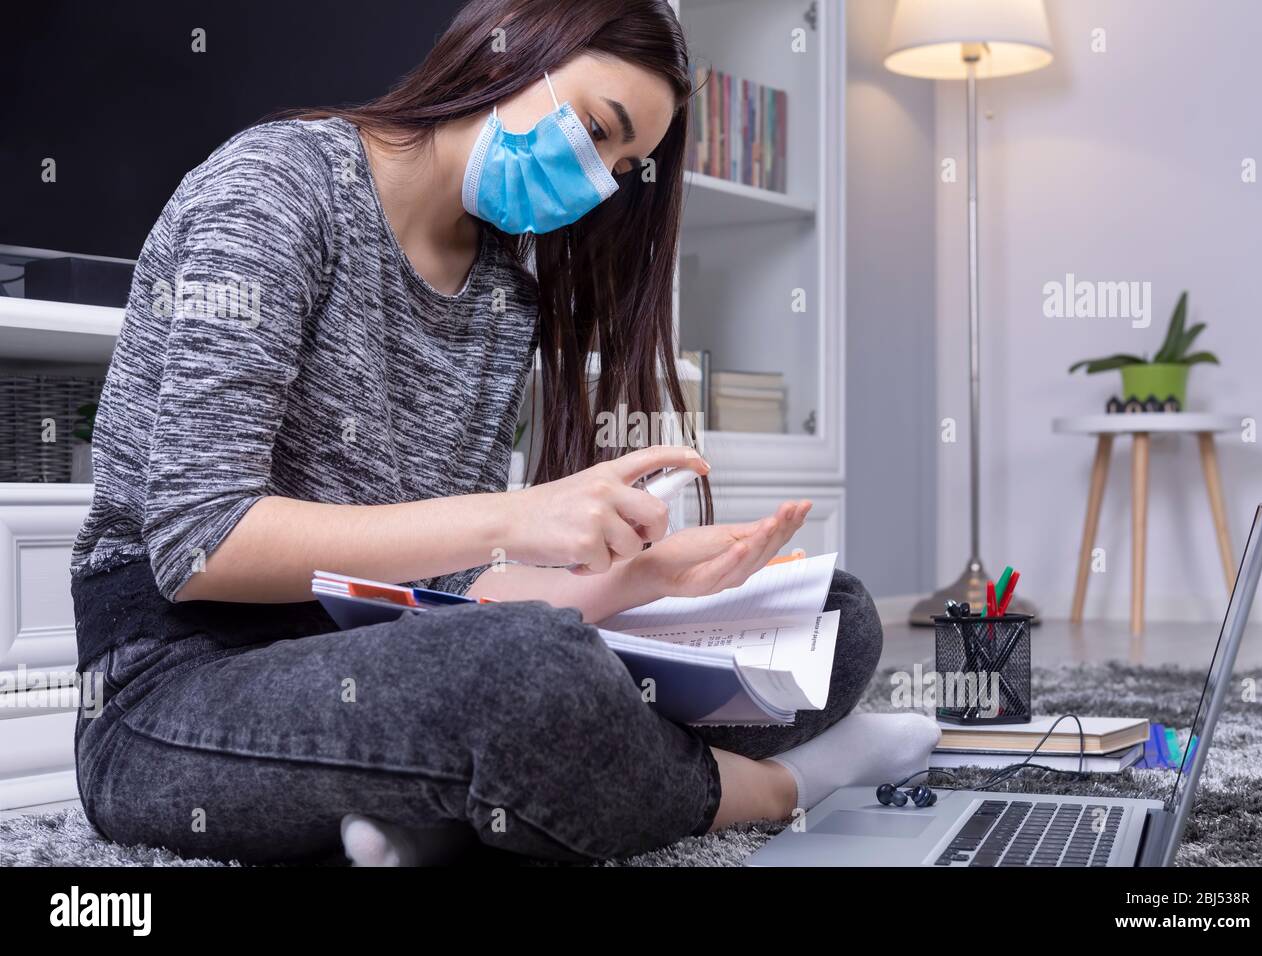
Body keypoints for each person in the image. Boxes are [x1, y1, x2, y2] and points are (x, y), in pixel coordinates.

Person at [71, 0, 937, 866]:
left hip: (391, 654)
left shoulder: (500, 294)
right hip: (173, 683)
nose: (599, 181)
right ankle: (783, 788)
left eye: (623, 166)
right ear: (512, 48)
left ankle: (441, 817)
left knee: (831, 614)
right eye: (599, 129)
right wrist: (511, 515)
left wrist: (642, 582)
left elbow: (455, 588)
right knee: (533, 673)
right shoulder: (276, 187)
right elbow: (198, 544)